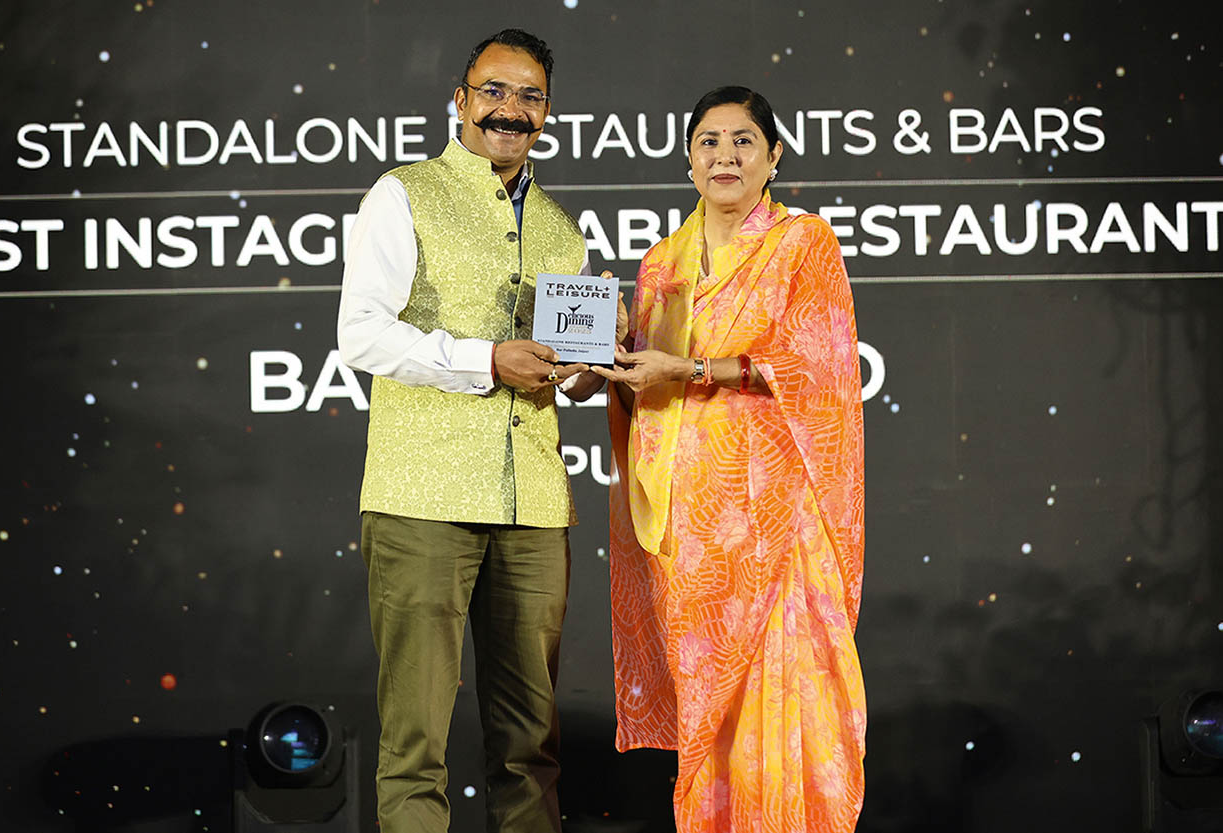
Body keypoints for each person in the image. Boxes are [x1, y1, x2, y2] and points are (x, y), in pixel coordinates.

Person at [337, 28, 607, 833]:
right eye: (493, 90)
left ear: (546, 113)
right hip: (421, 495)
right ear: (459, 100)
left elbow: (564, 371)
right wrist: (484, 359)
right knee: (415, 742)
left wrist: (593, 367)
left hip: (534, 504)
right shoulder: (404, 193)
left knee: (530, 746)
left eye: (529, 96)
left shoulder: (560, 228)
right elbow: (360, 334)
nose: (509, 109)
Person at [592, 86, 867, 832]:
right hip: (693, 531)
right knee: (708, 716)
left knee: (791, 698)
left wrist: (688, 369)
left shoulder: (803, 243)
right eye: (708, 142)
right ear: (687, 161)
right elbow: (643, 397)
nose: (725, 156)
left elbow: (815, 369)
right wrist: (612, 352)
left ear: (773, 157)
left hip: (779, 523)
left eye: (743, 141)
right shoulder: (661, 267)